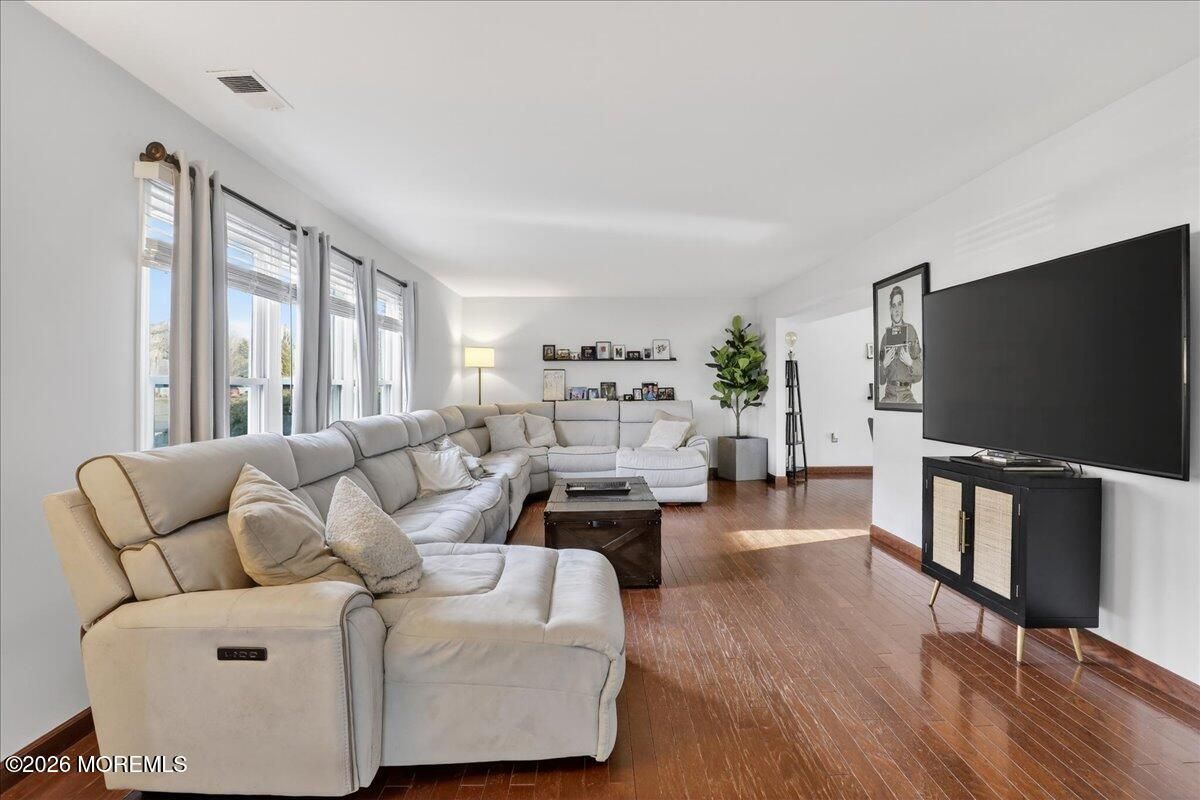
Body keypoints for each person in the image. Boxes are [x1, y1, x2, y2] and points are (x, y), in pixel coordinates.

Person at [878, 285, 923, 403]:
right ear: (890, 309)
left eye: (899, 304)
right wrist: (884, 364)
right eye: (893, 306)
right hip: (889, 395)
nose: (897, 309)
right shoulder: (884, 338)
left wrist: (911, 363)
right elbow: (881, 381)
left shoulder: (911, 331)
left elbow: (919, 376)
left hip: (906, 395)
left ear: (902, 306)